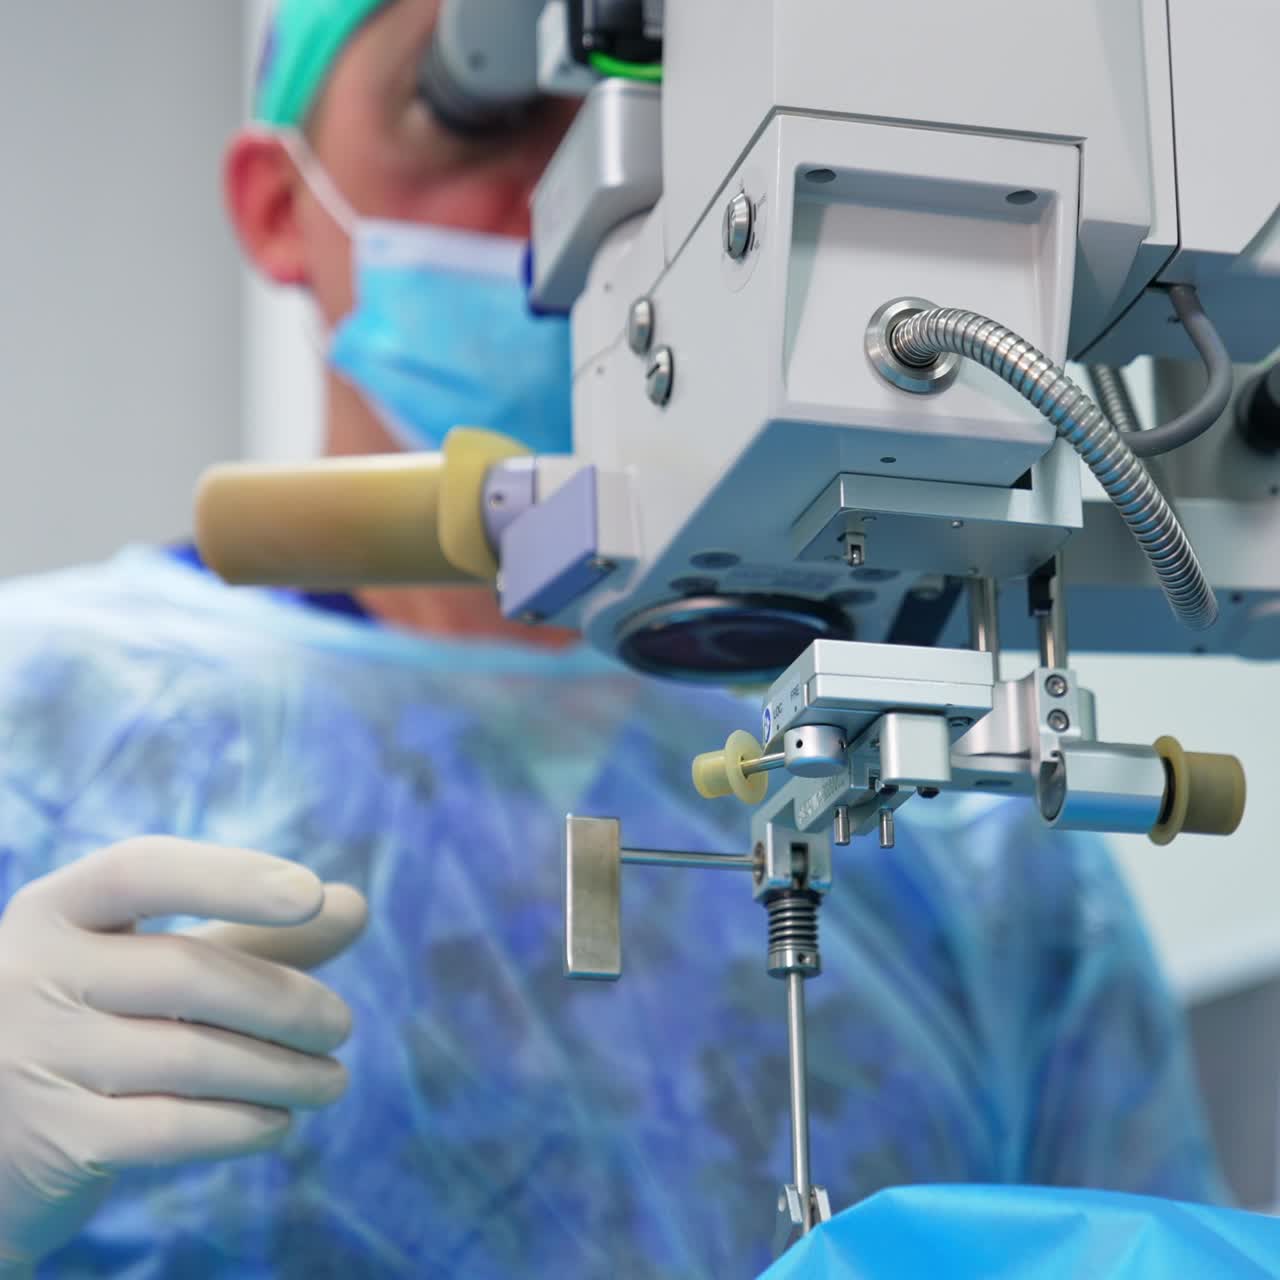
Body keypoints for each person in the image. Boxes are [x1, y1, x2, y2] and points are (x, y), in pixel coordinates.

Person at [0, 1, 1225, 1276]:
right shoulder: (41, 719)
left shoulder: (954, 811)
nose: (575, 195)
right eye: (472, 101)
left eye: (639, 107)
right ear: (273, 205)